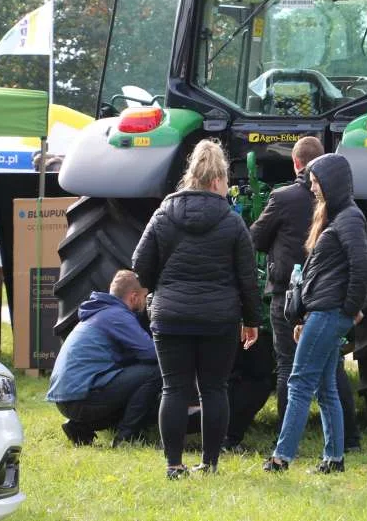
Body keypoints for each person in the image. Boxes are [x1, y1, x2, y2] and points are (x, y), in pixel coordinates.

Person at [132, 139, 261, 479]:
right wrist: (252, 320)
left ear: (190, 175)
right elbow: (248, 279)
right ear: (220, 179)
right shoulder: (232, 222)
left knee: (173, 389)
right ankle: (209, 464)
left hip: (170, 315)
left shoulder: (163, 214)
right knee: (214, 389)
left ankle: (174, 465)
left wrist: (164, 287)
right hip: (219, 318)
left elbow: (139, 265)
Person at [248, 135, 362, 451]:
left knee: (289, 367)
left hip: (291, 295)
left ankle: (286, 445)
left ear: (296, 163)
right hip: (328, 296)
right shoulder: (339, 206)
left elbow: (255, 239)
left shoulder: (282, 198)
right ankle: (348, 440)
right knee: (332, 367)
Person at [46, 270, 160, 447]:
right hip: (81, 397)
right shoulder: (117, 316)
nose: (146, 302)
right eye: (145, 296)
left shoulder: (102, 313)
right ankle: (126, 438)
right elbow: (152, 353)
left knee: (135, 385)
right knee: (155, 372)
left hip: (67, 398)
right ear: (134, 296)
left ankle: (80, 426)